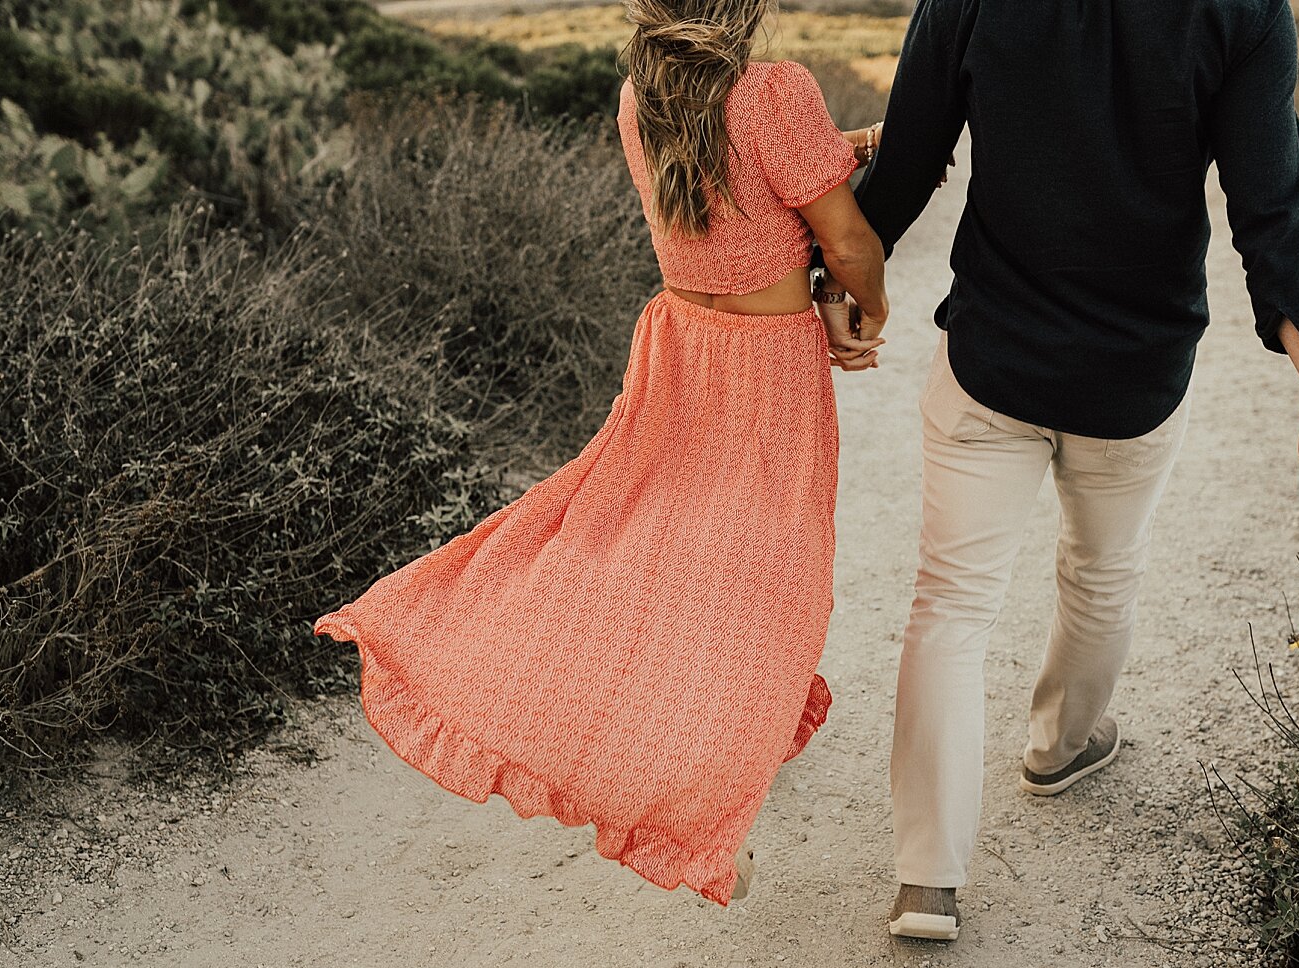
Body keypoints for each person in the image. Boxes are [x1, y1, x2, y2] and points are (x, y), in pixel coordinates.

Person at [313, 0, 890, 906]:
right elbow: (846, 240)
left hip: (682, 343)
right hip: (767, 366)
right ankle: (701, 788)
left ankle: (635, 720)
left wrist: (843, 143)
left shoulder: (642, 96)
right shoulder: (779, 90)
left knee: (643, 533)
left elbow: (730, 185)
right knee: (770, 566)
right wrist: (864, 314)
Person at [816, 0, 1299, 941]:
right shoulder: (1243, 12)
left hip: (993, 356)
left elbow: (905, 155)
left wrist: (845, 288)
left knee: (950, 602)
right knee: (1104, 573)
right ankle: (1060, 746)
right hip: (1136, 372)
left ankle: (927, 880)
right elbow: (1273, 205)